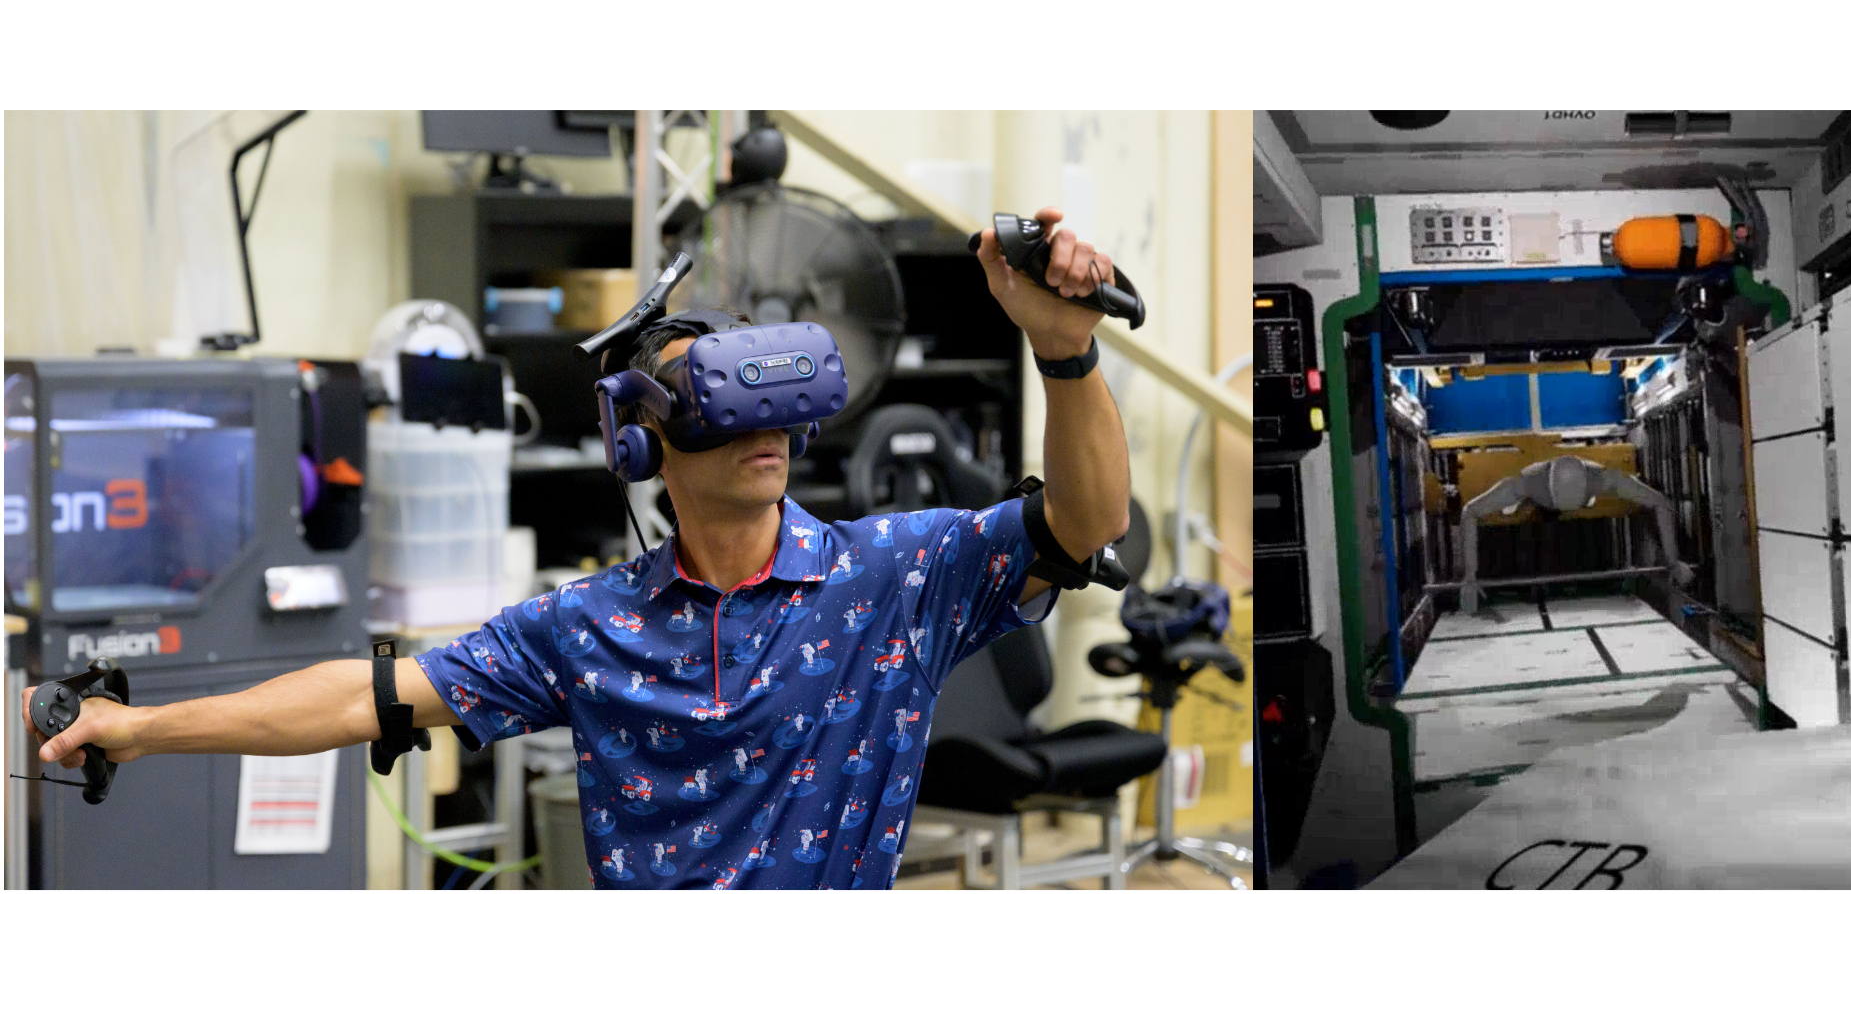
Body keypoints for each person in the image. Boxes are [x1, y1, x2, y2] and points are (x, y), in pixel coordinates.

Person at [21, 207, 1131, 890]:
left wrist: (1063, 352)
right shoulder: (590, 628)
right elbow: (363, 698)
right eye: (711, 401)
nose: (756, 431)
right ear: (640, 442)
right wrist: (140, 725)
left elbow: (1084, 525)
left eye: (766, 401)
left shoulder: (889, 580)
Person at [1458, 453, 1695, 613]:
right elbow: (1470, 511)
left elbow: (1660, 502)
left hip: (1582, 496)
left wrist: (1673, 561)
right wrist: (1470, 578)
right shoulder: (1525, 484)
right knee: (1511, 512)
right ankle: (1521, 507)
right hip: (1533, 499)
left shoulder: (1604, 479)